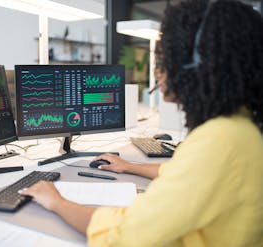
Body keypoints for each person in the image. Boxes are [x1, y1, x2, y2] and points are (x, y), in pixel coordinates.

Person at [19, 0, 263, 246]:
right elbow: (181, 174)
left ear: (199, 64)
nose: (158, 71)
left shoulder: (218, 141)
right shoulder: (237, 127)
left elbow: (127, 234)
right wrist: (129, 167)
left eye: (167, 57)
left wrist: (57, 202)